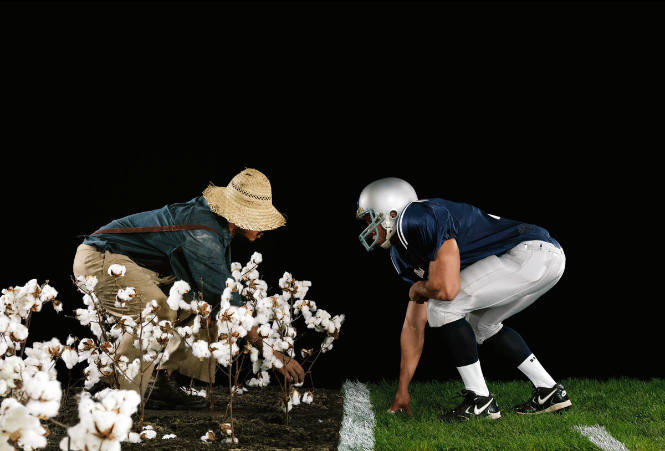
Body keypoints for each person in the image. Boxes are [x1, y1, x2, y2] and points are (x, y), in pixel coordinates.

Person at [73, 168, 305, 409]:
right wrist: (273, 354)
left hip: (137, 266)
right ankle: (112, 389)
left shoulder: (217, 226)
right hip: (100, 258)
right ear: (240, 215)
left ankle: (160, 382)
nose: (263, 229)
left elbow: (217, 296)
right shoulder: (202, 234)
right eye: (259, 220)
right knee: (158, 310)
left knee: (203, 302)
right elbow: (229, 301)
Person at [356, 177, 571, 421]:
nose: (367, 227)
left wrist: (420, 289)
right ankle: (550, 391)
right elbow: (414, 325)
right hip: (544, 258)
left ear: (391, 212)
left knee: (444, 307)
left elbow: (446, 290)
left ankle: (480, 400)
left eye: (369, 218)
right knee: (482, 325)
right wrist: (402, 389)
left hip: (528, 252)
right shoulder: (401, 253)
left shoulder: (417, 217)